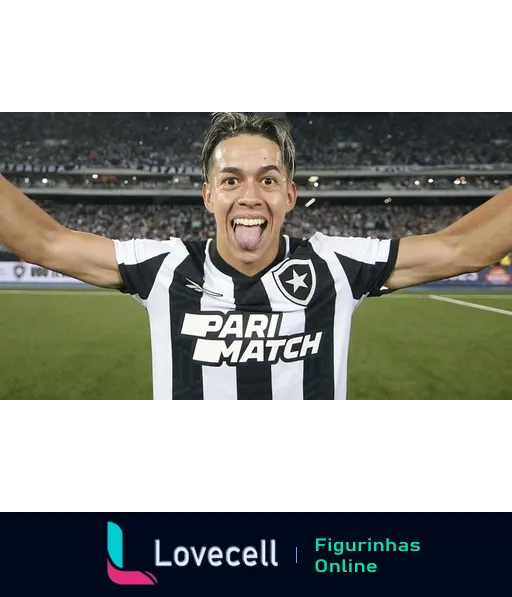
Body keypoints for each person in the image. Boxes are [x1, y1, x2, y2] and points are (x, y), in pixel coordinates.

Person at [1, 112, 511, 400]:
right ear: (208, 196)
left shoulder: (335, 263)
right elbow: (44, 242)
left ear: (289, 195)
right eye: (231, 181)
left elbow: (461, 248)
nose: (249, 197)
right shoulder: (165, 266)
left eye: (267, 179)